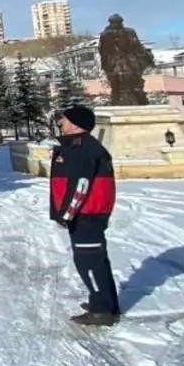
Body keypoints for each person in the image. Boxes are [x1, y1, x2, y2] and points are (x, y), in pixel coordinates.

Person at [49, 104, 120, 325]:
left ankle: (101, 310)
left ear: (76, 123)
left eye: (65, 119)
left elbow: (80, 184)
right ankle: (106, 302)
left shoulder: (83, 149)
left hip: (86, 214)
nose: (61, 123)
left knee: (88, 261)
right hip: (85, 213)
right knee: (96, 259)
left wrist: (66, 215)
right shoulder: (76, 146)